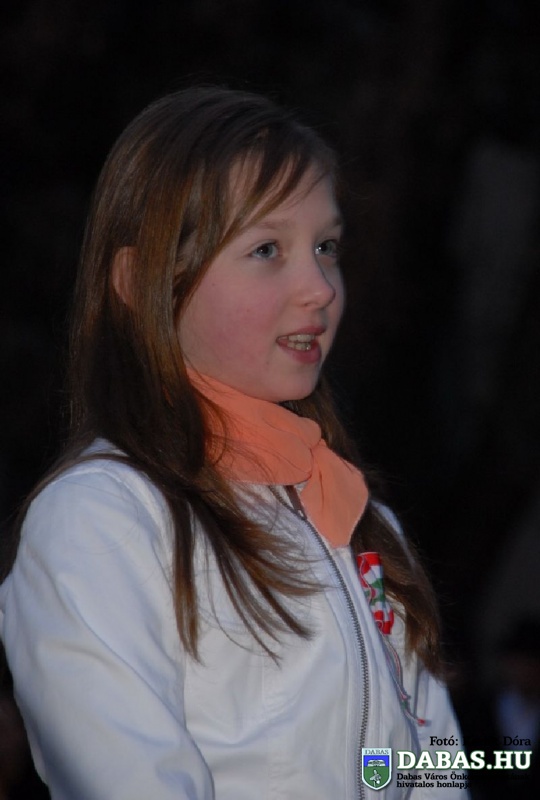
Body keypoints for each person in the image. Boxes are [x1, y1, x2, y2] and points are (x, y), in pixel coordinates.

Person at [0, 86, 467, 799]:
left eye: (327, 247)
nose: (320, 287)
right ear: (141, 282)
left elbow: (437, 770)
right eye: (267, 249)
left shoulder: (364, 522)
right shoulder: (104, 519)